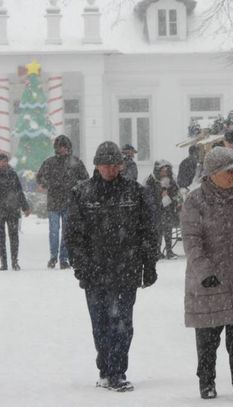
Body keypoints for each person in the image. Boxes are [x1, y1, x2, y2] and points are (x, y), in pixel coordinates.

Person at [65, 141, 158, 392]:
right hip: (95, 271)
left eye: (115, 164)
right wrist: (80, 266)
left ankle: (117, 371)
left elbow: (148, 230)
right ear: (97, 165)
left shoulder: (134, 193)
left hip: (126, 269)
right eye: (106, 165)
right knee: (101, 322)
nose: (111, 169)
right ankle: (105, 368)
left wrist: (149, 263)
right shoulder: (82, 193)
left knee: (122, 322)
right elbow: (73, 235)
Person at [181, 146, 233, 401]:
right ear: (213, 173)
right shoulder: (195, 201)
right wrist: (205, 272)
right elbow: (192, 242)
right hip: (209, 281)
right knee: (208, 338)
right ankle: (206, 381)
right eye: (229, 172)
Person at [36, 134, 89, 269]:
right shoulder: (49, 162)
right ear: (56, 148)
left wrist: (77, 187)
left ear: (69, 148)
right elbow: (39, 177)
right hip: (54, 202)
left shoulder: (76, 162)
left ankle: (63, 258)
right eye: (60, 147)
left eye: (65, 147)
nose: (62, 150)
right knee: (54, 232)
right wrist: (46, 184)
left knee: (66, 232)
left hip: (69, 202)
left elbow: (85, 179)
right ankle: (53, 256)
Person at [145, 160, 181, 259]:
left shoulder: (171, 181)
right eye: (162, 171)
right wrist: (159, 199)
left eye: (166, 170)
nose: (165, 173)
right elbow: (148, 197)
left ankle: (169, 251)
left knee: (168, 229)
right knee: (158, 231)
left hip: (168, 210)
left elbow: (177, 193)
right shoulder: (151, 181)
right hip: (156, 211)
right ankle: (157, 251)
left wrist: (176, 200)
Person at [0, 153, 31, 270]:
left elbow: (19, 191)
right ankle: (4, 262)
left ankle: (14, 261)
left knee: (14, 236)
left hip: (12, 209)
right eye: (1, 161)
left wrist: (25, 207)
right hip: (0, 211)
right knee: (1, 238)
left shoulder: (12, 174)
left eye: (5, 161)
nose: (3, 163)